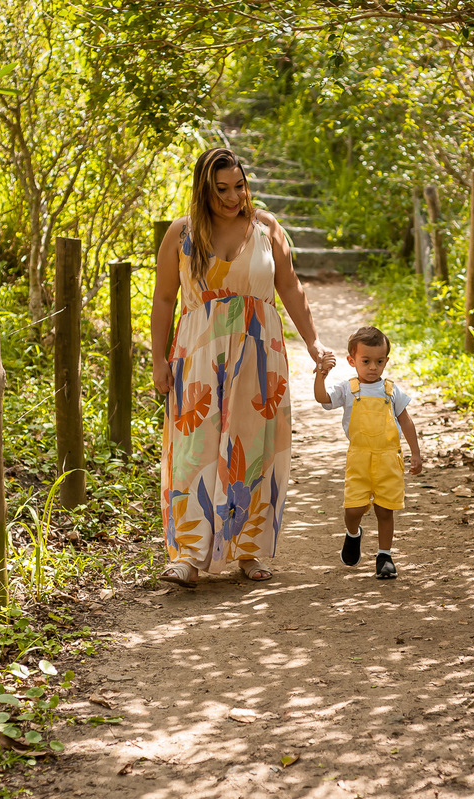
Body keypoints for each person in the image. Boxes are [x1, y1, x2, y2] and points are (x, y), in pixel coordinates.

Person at [151, 147, 330, 588]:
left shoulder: (268, 228)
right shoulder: (182, 234)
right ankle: (188, 556)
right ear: (203, 191)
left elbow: (289, 286)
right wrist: (158, 359)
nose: (234, 198)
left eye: (239, 186)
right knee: (195, 450)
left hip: (259, 351)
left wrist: (313, 341)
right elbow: (164, 299)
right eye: (221, 190)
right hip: (197, 355)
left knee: (254, 448)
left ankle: (250, 551)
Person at [313, 326, 422, 579]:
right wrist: (320, 375)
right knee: (353, 509)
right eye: (366, 361)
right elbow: (322, 398)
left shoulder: (391, 390)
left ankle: (385, 556)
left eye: (379, 361)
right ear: (352, 361)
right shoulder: (348, 388)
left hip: (388, 460)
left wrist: (415, 453)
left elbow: (406, 421)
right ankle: (353, 534)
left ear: (386, 361)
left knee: (385, 510)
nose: (373, 367)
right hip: (359, 459)